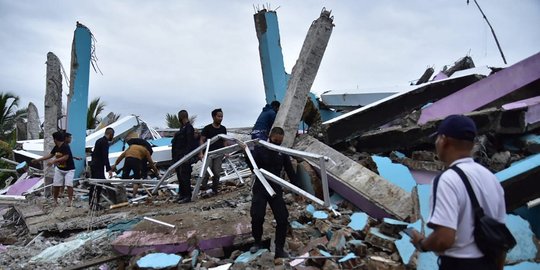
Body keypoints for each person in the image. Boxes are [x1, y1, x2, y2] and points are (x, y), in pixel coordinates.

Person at [410, 115, 507, 270]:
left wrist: (423, 244)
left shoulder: (446, 180)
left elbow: (444, 239)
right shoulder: (491, 179)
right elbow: (501, 238)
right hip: (489, 263)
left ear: (444, 140)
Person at [249, 127, 298, 259]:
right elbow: (252, 165)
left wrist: (297, 187)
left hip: (275, 188)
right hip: (261, 186)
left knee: (282, 218)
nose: (277, 144)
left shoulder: (281, 152)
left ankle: (279, 249)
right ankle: (257, 242)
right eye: (275, 141)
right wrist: (245, 152)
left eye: (279, 142)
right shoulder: (260, 149)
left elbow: (289, 170)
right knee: (257, 216)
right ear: (270, 137)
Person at [31, 131, 75, 206]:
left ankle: (70, 201)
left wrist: (54, 161)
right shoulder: (56, 147)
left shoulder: (65, 146)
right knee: (56, 185)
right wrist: (38, 159)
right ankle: (55, 200)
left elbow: (66, 157)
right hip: (59, 169)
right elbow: (49, 155)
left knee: (69, 184)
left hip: (69, 169)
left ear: (55, 139)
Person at [199, 108, 228, 194]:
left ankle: (214, 190)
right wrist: (201, 153)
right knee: (207, 172)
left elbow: (225, 140)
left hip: (219, 153)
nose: (220, 118)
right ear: (213, 117)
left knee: (217, 172)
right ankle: (203, 188)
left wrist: (226, 151)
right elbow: (201, 140)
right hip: (208, 153)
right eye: (219, 116)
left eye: (222, 116)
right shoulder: (207, 128)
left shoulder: (223, 129)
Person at [171, 110, 197, 203]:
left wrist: (187, 156)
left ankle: (187, 196)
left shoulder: (189, 128)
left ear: (180, 117)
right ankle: (182, 195)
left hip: (184, 156)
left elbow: (190, 143)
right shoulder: (182, 128)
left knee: (184, 176)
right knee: (180, 176)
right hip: (178, 156)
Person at [89, 127, 114, 210]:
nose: (112, 137)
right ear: (110, 134)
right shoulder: (104, 142)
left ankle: (92, 203)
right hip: (98, 166)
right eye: (112, 135)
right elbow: (105, 156)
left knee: (94, 184)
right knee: (98, 185)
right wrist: (109, 169)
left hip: (94, 165)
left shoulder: (99, 140)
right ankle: (95, 204)